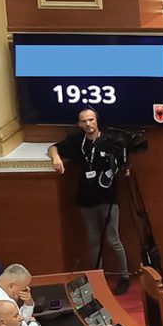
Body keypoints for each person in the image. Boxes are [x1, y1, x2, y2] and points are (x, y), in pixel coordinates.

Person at [47, 108, 131, 288]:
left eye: (91, 120)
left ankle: (124, 276)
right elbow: (53, 147)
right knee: (93, 242)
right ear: (79, 124)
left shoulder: (110, 141)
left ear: (97, 120)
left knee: (113, 239)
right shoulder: (77, 141)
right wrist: (56, 158)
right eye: (84, 121)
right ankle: (96, 278)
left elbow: (123, 165)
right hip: (86, 199)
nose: (88, 124)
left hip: (108, 199)